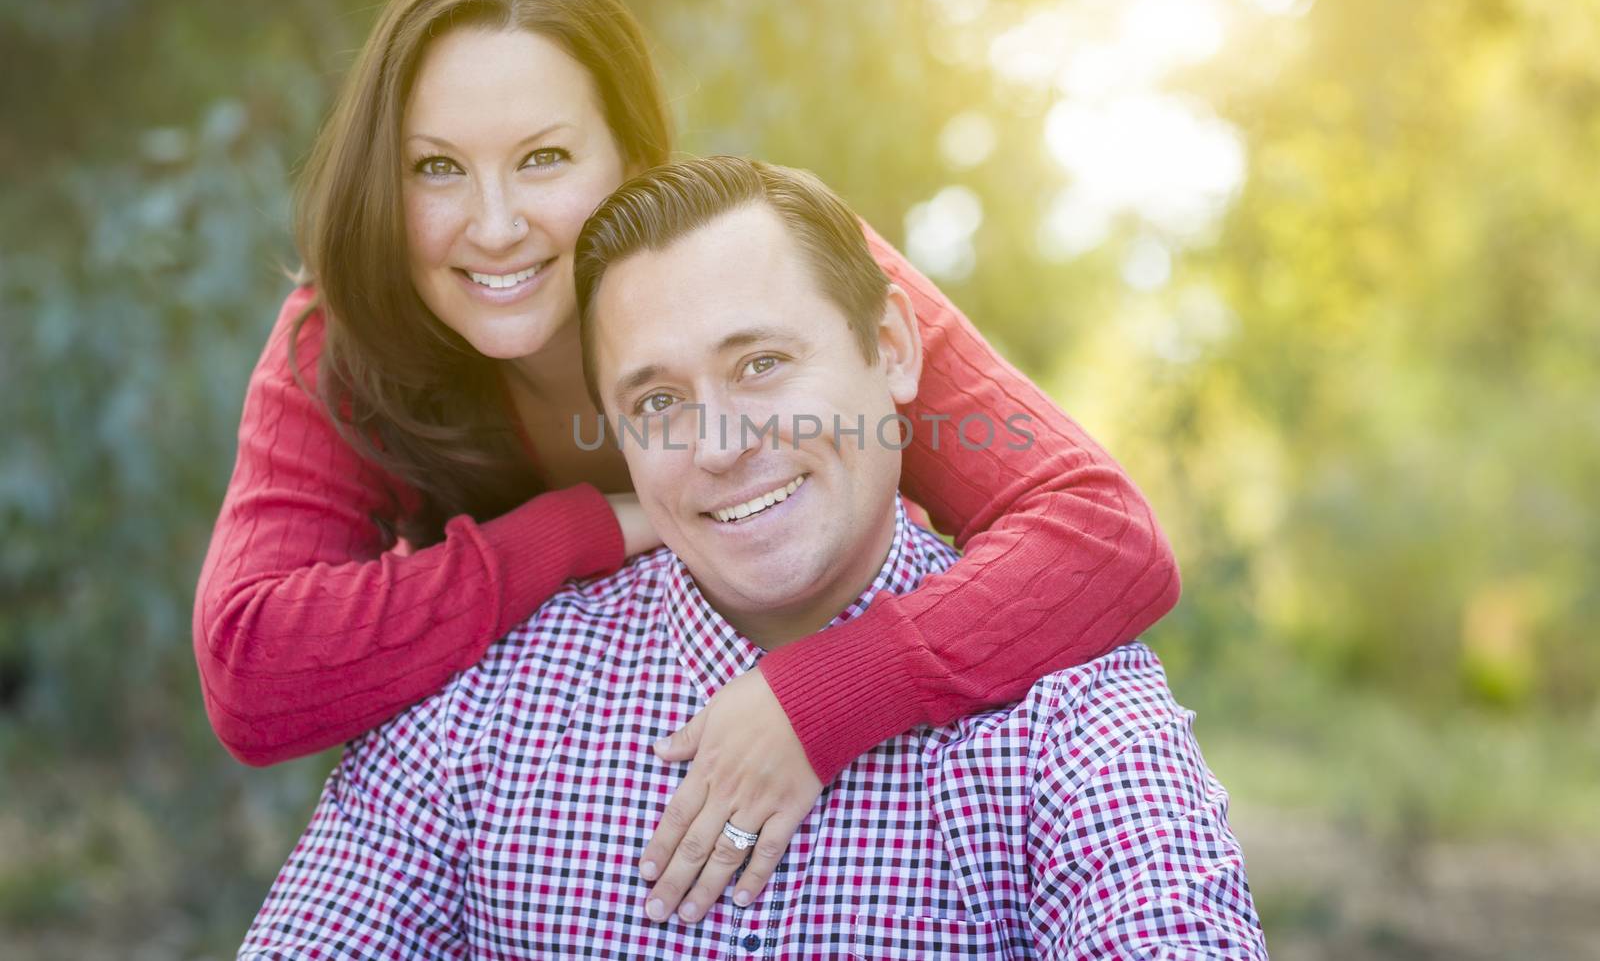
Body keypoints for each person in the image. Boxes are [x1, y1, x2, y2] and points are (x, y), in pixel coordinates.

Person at [194, 0, 1181, 922]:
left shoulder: (780, 278)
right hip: (567, 782)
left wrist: (827, 696)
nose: (492, 226)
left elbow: (1102, 532)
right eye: (436, 168)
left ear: (631, 156)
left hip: (874, 762)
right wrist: (589, 527)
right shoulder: (347, 343)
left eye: (542, 158)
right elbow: (253, 671)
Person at [239, 157, 1263, 959]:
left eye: (762, 364)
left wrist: (834, 692)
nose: (721, 442)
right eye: (659, 400)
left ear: (894, 349)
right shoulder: (479, 708)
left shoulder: (1075, 718)